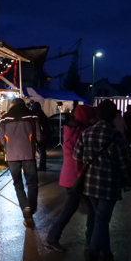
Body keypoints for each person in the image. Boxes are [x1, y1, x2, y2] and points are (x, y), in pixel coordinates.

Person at [73, 100, 131, 261]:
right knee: (102, 219)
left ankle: (105, 253)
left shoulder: (86, 133)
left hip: (90, 184)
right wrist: (129, 181)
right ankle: (93, 252)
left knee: (101, 219)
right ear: (114, 115)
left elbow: (76, 156)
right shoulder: (117, 136)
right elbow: (125, 164)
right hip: (109, 185)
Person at [43, 105, 97, 252]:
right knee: (90, 208)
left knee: (72, 208)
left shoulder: (71, 130)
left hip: (70, 175)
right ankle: (89, 241)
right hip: (79, 175)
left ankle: (53, 238)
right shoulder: (82, 132)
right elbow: (81, 155)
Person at [0, 98, 42, 228]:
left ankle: (25, 208)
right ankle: (31, 208)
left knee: (18, 184)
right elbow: (39, 135)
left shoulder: (4, 118)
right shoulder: (32, 115)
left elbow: (1, 139)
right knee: (32, 182)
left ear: (12, 105)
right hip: (28, 153)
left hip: (11, 154)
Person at [30, 101, 51, 171]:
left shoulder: (35, 115)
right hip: (44, 135)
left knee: (40, 151)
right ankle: (42, 165)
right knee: (42, 151)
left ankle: (41, 165)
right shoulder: (42, 114)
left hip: (39, 135)